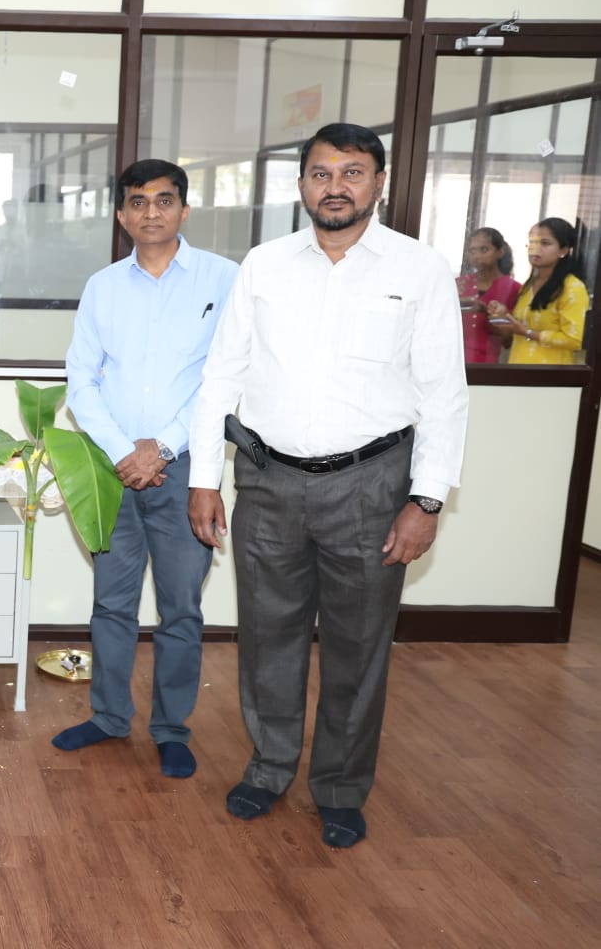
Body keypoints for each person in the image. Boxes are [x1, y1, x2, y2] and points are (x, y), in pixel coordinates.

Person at [187, 123, 468, 849]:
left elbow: (444, 393)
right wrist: (203, 478)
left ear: (378, 182)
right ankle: (269, 767)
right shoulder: (264, 265)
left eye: (352, 172)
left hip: (373, 485)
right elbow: (222, 375)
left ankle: (341, 788)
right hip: (269, 481)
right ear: (301, 185)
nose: (335, 187)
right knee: (267, 637)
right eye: (321, 173)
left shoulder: (420, 269)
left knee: (359, 646)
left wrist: (426, 499)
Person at [54, 159, 239, 780]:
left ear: (184, 209)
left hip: (187, 470)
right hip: (113, 470)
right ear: (121, 214)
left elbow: (223, 380)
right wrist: (121, 452)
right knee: (112, 603)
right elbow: (81, 380)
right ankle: (109, 717)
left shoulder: (225, 279)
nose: (151, 212)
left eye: (164, 201)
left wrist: (160, 448)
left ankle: (171, 729)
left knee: (181, 607)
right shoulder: (103, 286)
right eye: (138, 202)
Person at [488, 217, 590, 365]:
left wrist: (527, 332)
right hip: (518, 368)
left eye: (545, 243)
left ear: (564, 250)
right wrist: (504, 315)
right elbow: (521, 326)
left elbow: (575, 340)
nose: (535, 248)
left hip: (549, 373)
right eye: (532, 242)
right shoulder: (528, 285)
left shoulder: (572, 287)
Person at [456, 227, 521, 364]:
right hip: (453, 360)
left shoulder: (514, 289)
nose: (477, 256)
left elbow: (508, 341)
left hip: (489, 365)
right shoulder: (459, 284)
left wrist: (486, 311)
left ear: (500, 252)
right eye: (472, 251)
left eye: (484, 249)